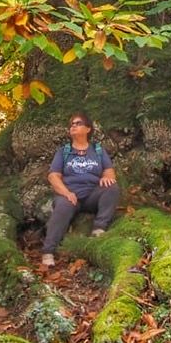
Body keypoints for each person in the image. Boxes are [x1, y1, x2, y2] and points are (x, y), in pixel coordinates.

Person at [42, 112, 119, 267]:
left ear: (88, 129)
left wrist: (106, 177)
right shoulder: (63, 152)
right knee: (62, 207)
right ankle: (48, 251)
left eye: (78, 123)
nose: (73, 126)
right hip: (70, 194)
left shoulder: (97, 150)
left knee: (112, 187)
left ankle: (99, 229)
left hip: (92, 194)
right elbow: (53, 176)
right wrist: (66, 193)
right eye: (72, 124)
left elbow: (109, 171)